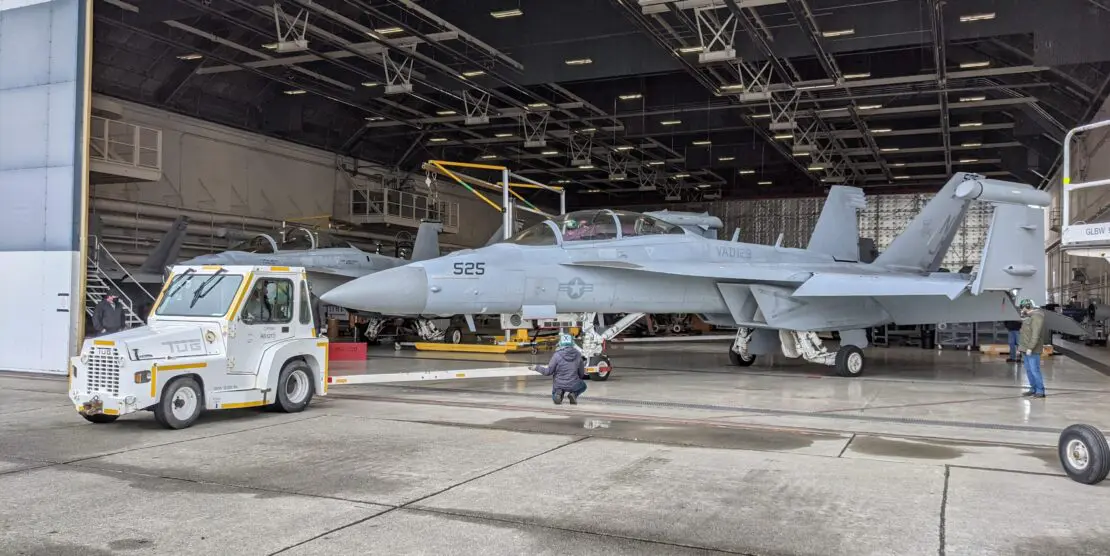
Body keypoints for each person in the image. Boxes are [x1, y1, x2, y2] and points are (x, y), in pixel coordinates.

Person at [529, 333, 587, 405]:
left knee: (557, 391)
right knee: (583, 386)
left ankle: (558, 393)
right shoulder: (578, 355)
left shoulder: (557, 355)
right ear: (572, 343)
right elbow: (581, 374)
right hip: (573, 383)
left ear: (560, 343)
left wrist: (536, 367)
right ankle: (573, 394)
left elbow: (548, 372)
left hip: (559, 384)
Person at [1017, 298, 1046, 398]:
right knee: (1029, 370)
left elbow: (1035, 335)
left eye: (1022, 308)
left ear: (1028, 307)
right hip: (1025, 349)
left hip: (1032, 350)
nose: (1021, 310)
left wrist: (1030, 348)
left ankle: (1040, 391)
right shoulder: (1029, 317)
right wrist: (1020, 348)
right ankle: (1033, 389)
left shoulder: (1037, 317)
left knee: (1034, 370)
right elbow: (1024, 334)